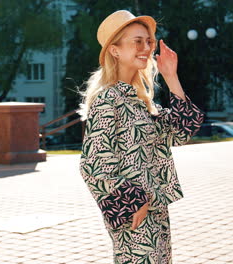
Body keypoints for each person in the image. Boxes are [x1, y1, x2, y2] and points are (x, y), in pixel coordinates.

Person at [78, 10, 206, 263]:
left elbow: (182, 131)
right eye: (137, 41)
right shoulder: (108, 99)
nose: (146, 47)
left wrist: (171, 76)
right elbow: (92, 165)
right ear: (115, 50)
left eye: (148, 41)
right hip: (134, 212)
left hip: (155, 209)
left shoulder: (139, 102)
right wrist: (134, 202)